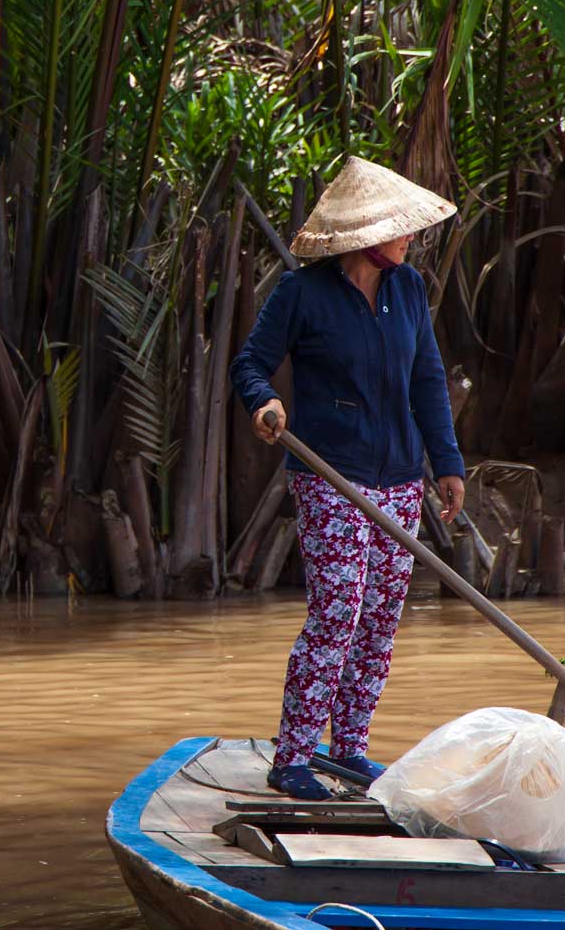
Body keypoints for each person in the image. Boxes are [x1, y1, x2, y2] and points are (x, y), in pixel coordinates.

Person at [230, 155, 467, 801]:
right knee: (338, 607)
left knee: (382, 615)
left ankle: (350, 747)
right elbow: (250, 363)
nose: (409, 238)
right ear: (365, 234)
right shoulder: (302, 293)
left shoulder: (409, 290)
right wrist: (265, 403)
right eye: (399, 228)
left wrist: (446, 464)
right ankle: (294, 754)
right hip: (331, 478)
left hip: (397, 476)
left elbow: (427, 381)